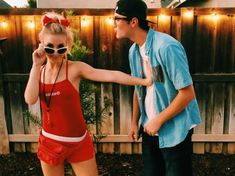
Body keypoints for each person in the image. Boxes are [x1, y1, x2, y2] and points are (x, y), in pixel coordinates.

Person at [24, 12, 152, 176]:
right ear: (41, 44)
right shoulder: (39, 72)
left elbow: (111, 75)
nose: (55, 53)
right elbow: (30, 98)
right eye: (50, 47)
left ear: (67, 45)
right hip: (50, 141)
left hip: (78, 143)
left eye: (61, 48)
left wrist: (144, 81)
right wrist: (35, 65)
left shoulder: (75, 68)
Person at [113, 0, 201, 176]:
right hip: (149, 128)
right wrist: (133, 122)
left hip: (175, 130)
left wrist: (159, 120)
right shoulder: (133, 51)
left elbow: (187, 93)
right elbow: (138, 87)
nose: (114, 23)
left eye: (116, 18)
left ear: (133, 22)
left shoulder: (167, 47)